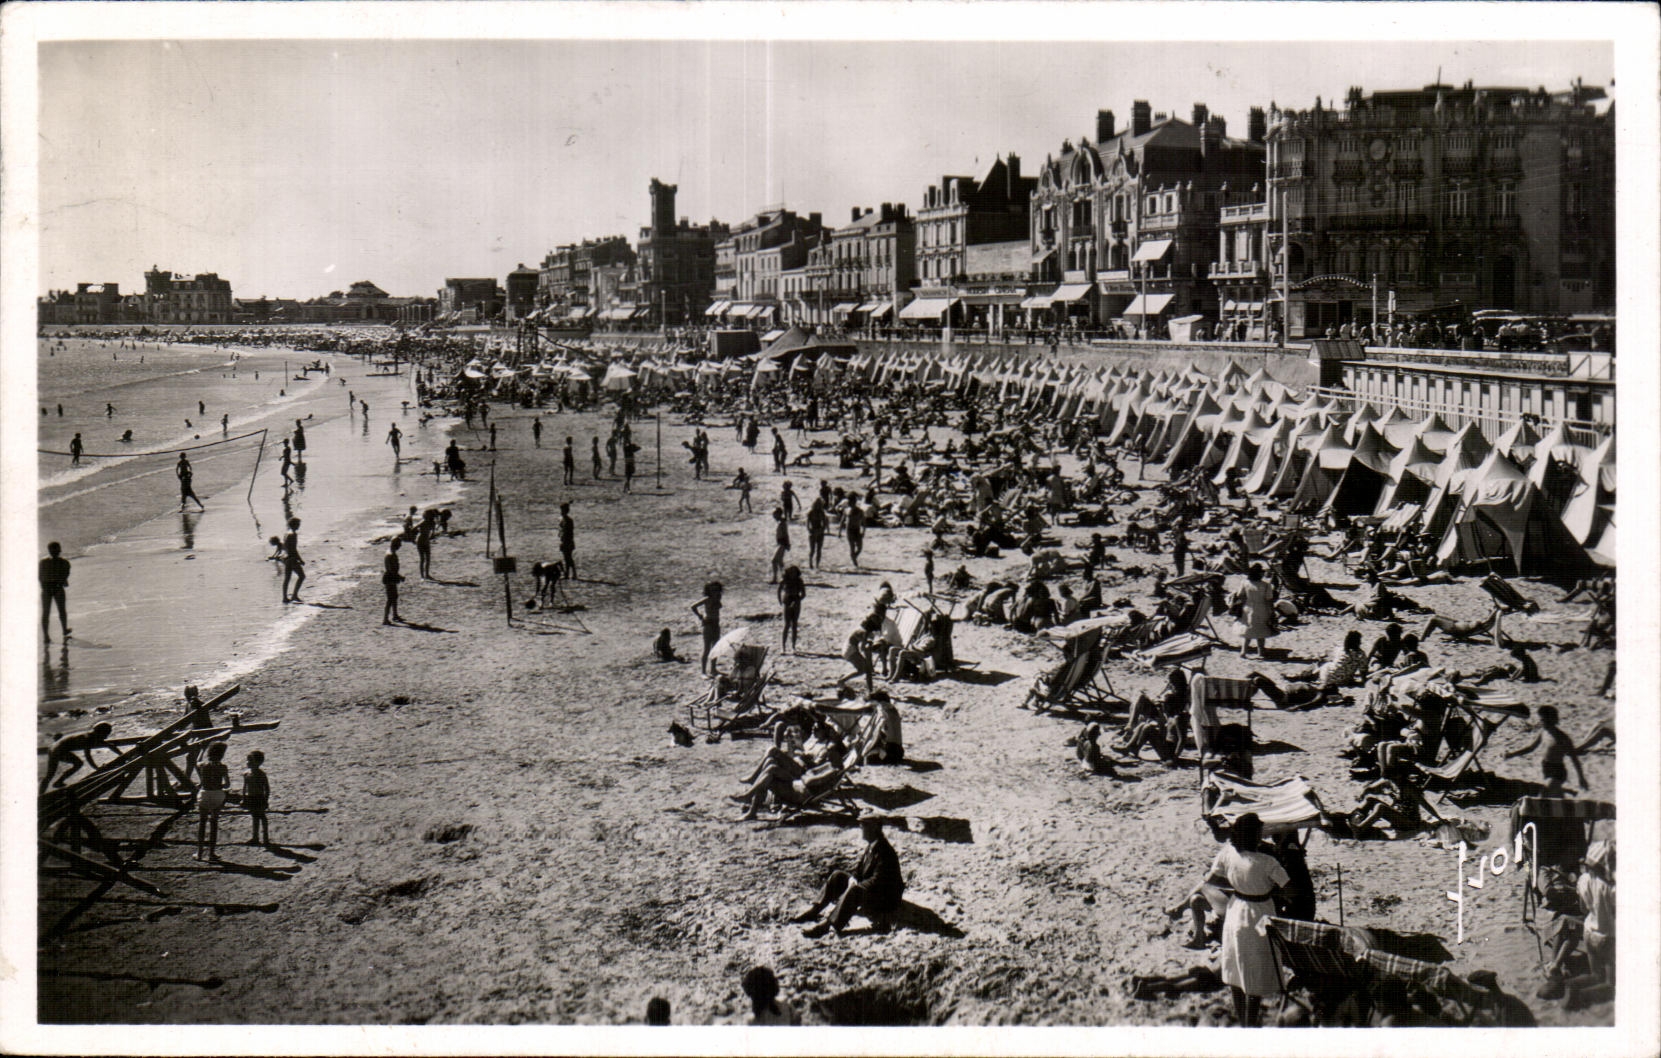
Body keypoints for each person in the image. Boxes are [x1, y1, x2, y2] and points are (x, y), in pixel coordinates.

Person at [1208, 813, 1289, 1026]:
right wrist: (1269, 889)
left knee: (1236, 966)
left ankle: (1244, 1021)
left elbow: (1212, 879)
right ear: (1254, 835)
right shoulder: (1267, 861)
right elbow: (1291, 890)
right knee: (1255, 969)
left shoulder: (1228, 853)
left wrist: (1238, 884)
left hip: (1236, 909)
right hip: (1258, 912)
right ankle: (1250, 1023)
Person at [793, 815, 905, 937]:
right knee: (838, 876)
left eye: (864, 825)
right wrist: (853, 879)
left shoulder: (884, 851)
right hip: (872, 890)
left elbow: (878, 881)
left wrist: (855, 886)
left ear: (874, 828)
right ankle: (814, 911)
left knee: (855, 890)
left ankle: (828, 925)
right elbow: (859, 870)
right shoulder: (872, 846)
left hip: (886, 900)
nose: (861, 828)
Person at [1504, 705, 1586, 796]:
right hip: (1546, 768)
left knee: (1544, 794)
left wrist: (1581, 778)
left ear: (1554, 720)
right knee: (1554, 796)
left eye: (1547, 720)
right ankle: (1567, 793)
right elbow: (1531, 748)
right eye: (1542, 720)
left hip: (1557, 771)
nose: (1544, 723)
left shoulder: (1563, 738)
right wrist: (1512, 754)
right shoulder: (1544, 732)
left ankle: (1566, 792)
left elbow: (1574, 759)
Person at [40, 722, 114, 791]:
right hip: (58, 750)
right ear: (100, 732)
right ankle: (58, 782)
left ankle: (41, 795)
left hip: (53, 748)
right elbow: (88, 756)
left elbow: (109, 745)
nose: (105, 737)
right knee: (78, 763)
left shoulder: (91, 735)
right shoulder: (87, 738)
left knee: (49, 775)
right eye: (105, 735)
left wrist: (121, 754)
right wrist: (97, 768)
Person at [195, 741, 231, 861]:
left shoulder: (203, 765)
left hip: (204, 794)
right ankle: (211, 853)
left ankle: (199, 853)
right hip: (217, 795)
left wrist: (201, 750)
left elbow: (197, 762)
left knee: (202, 823)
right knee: (214, 824)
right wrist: (218, 785)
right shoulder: (223, 767)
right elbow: (227, 784)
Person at [1234, 565, 1276, 658]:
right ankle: (1260, 652)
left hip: (1247, 608)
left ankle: (1243, 651)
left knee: (1248, 630)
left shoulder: (1245, 583)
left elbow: (1240, 595)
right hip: (1262, 609)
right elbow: (1269, 600)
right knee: (1261, 631)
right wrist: (1272, 611)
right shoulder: (1266, 585)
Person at [839, 613, 883, 695]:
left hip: (849, 649)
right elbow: (864, 648)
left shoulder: (861, 629)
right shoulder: (864, 632)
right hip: (851, 651)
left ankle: (870, 690)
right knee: (863, 670)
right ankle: (842, 681)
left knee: (865, 670)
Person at [40, 542, 71, 642]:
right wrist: (63, 581)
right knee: (62, 610)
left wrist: (43, 586)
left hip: (46, 588)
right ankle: (64, 630)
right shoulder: (65, 562)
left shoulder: (43, 562)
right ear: (59, 550)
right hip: (57, 587)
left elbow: (40, 577)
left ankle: (45, 636)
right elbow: (65, 576)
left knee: (46, 612)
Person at [691, 581, 724, 675]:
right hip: (708, 625)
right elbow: (693, 606)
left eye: (716, 590)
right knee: (707, 649)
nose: (715, 592)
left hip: (716, 624)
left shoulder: (717, 599)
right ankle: (703, 672)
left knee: (715, 647)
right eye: (713, 590)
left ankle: (713, 669)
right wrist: (700, 616)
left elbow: (718, 607)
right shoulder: (707, 599)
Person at [241, 749, 271, 846]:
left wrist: (266, 800)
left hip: (259, 798)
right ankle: (255, 837)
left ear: (258, 763)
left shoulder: (261, 774)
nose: (248, 762)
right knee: (254, 817)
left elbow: (266, 788)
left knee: (262, 817)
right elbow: (245, 787)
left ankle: (265, 838)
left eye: (250, 761)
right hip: (251, 797)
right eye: (247, 760)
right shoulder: (246, 774)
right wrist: (244, 798)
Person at [778, 564, 805, 654]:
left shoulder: (799, 581)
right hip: (787, 601)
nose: (792, 574)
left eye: (794, 572)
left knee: (794, 625)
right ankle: (783, 647)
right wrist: (780, 601)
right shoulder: (785, 581)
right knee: (786, 625)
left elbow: (803, 594)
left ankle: (793, 646)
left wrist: (797, 601)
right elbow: (779, 590)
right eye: (791, 572)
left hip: (796, 602)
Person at [281, 517, 306, 603]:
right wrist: (300, 560)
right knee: (302, 576)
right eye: (298, 524)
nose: (299, 526)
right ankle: (294, 595)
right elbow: (293, 549)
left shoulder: (286, 533)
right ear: (294, 525)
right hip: (292, 558)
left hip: (286, 558)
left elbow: (285, 547)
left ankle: (284, 597)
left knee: (287, 578)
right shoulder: (293, 534)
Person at [382, 538, 405, 625]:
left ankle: (395, 615)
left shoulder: (389, 552)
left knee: (394, 597)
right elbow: (391, 569)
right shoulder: (391, 555)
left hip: (390, 577)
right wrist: (399, 577)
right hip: (390, 578)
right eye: (399, 544)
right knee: (390, 599)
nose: (400, 546)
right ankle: (385, 619)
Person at [769, 507, 791, 584]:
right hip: (781, 543)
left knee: (774, 561)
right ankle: (785, 577)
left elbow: (785, 534)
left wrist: (787, 544)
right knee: (779, 562)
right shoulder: (781, 522)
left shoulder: (782, 523)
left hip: (782, 543)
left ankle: (775, 578)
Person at [806, 497, 828, 569]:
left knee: (819, 549)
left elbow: (824, 523)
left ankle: (817, 564)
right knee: (812, 549)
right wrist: (810, 530)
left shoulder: (822, 513)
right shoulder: (810, 512)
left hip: (820, 531)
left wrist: (822, 530)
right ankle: (810, 562)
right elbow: (807, 523)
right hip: (813, 531)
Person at [559, 503, 577, 581]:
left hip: (568, 541)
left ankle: (573, 573)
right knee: (566, 558)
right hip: (564, 541)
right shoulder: (563, 520)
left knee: (568, 558)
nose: (561, 512)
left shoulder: (569, 521)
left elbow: (570, 532)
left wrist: (568, 542)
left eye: (562, 510)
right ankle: (568, 574)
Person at [845, 499, 866, 567]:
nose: (849, 504)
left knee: (860, 547)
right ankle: (854, 561)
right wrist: (839, 532)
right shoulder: (847, 510)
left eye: (850, 502)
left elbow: (863, 522)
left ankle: (854, 556)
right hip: (849, 530)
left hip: (857, 530)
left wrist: (863, 531)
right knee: (852, 546)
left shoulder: (860, 511)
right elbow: (842, 520)